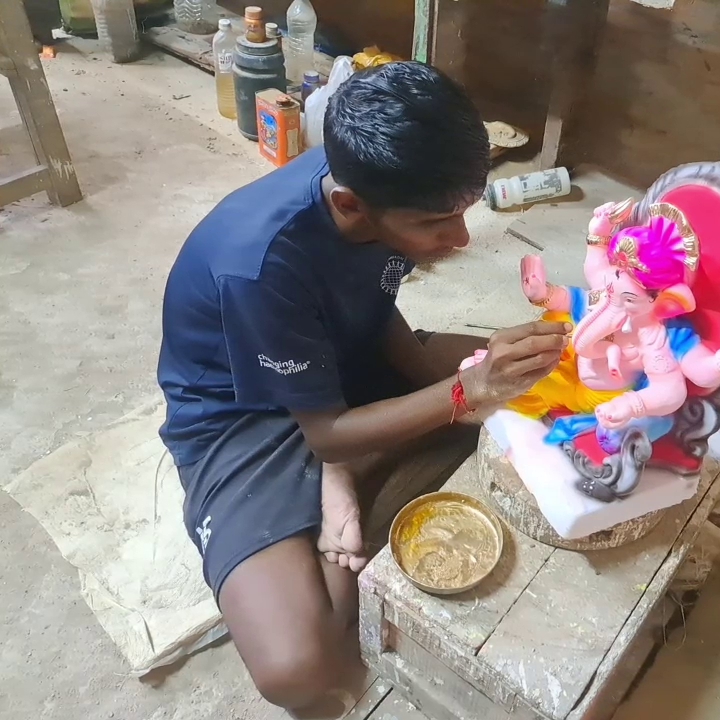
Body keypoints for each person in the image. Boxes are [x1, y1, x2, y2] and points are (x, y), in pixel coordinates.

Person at [156, 61, 569, 714]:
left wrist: (460, 387)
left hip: (330, 359)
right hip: (242, 413)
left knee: (547, 377)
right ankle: (346, 471)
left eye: (463, 212)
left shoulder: (381, 177)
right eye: (437, 223)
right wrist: (462, 395)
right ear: (349, 204)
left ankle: (350, 470)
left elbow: (373, 309)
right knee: (302, 669)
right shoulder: (258, 263)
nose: (459, 238)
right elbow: (322, 432)